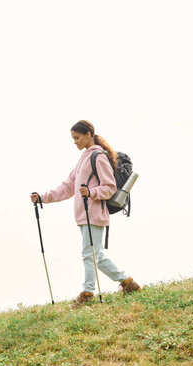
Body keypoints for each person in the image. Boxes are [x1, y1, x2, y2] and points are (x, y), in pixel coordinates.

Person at [30, 120, 140, 308]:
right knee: (96, 255)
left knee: (90, 255)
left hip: (95, 213)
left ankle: (88, 292)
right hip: (83, 215)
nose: (75, 142)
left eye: (77, 137)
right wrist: (42, 198)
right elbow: (67, 187)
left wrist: (91, 193)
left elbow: (109, 187)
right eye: (73, 139)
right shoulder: (82, 159)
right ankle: (128, 283)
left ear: (88, 134)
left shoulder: (98, 157)